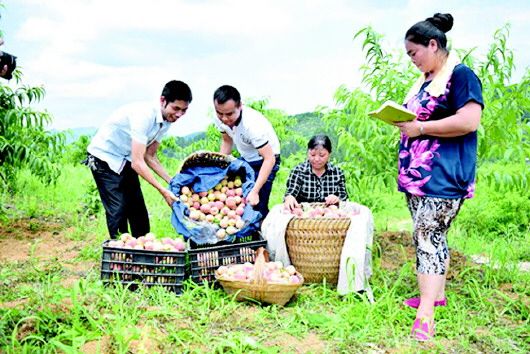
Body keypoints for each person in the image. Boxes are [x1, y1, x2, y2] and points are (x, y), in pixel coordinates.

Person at [394, 13, 484, 341]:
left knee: (428, 236)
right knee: (428, 236)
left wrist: (420, 128)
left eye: (413, 53)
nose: (412, 61)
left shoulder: (461, 76)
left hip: (444, 176)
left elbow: (468, 120)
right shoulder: (424, 82)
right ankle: (436, 294)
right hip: (417, 177)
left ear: (433, 45)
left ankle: (426, 312)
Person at [86, 80, 192, 239]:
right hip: (104, 158)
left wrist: (172, 182)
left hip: (125, 158)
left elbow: (150, 156)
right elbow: (138, 162)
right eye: (176, 108)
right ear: (163, 100)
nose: (179, 115)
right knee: (118, 209)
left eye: (184, 110)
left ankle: (143, 251)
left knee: (138, 210)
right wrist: (163, 191)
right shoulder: (144, 115)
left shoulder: (167, 120)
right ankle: (121, 254)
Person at [212, 85, 281, 219]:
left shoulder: (252, 125)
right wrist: (219, 168)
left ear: (240, 106)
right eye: (220, 113)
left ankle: (262, 235)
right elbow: (227, 142)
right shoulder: (219, 118)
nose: (224, 119)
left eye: (229, 114)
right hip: (247, 158)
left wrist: (255, 191)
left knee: (257, 204)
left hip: (265, 160)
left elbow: (269, 159)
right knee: (237, 198)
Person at [283, 135, 348, 211]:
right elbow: (291, 193)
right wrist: (290, 198)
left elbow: (344, 200)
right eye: (312, 155)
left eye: (322, 155)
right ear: (307, 153)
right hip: (303, 217)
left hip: (331, 217)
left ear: (329, 154)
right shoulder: (299, 171)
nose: (316, 159)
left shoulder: (337, 173)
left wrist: (337, 199)